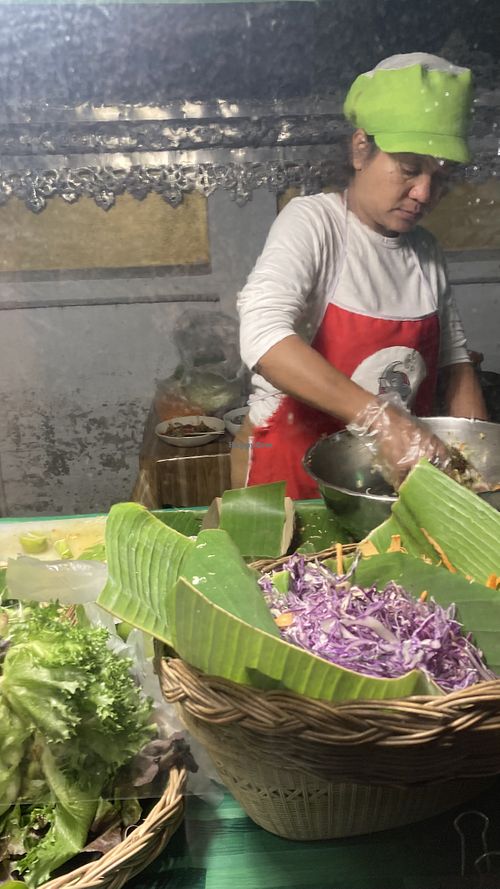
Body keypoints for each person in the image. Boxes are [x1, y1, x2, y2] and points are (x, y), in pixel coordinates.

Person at [233, 52, 488, 499]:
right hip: (293, 480)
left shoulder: (426, 251)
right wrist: (381, 419)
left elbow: (456, 362)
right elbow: (263, 335)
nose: (424, 192)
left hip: (389, 489)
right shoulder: (314, 223)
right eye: (409, 168)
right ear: (360, 150)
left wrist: (479, 469)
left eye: (441, 176)